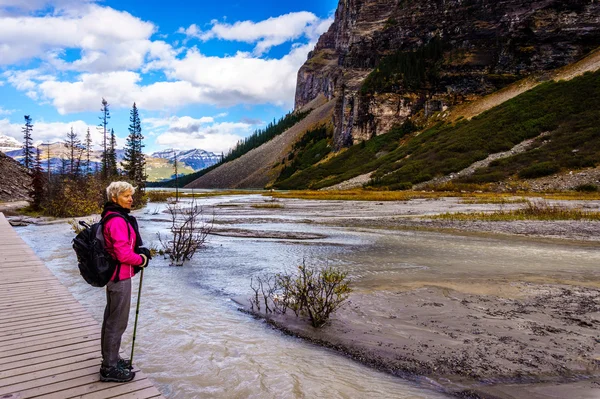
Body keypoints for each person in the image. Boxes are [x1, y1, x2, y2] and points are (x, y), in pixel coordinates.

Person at [100, 181, 151, 383]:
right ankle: (109, 368)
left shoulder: (112, 216)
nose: (131, 199)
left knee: (111, 320)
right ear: (114, 198)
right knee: (117, 322)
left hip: (114, 277)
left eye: (131, 195)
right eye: (126, 196)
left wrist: (138, 254)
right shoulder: (118, 221)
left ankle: (111, 359)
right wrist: (142, 259)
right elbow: (122, 254)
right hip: (119, 277)